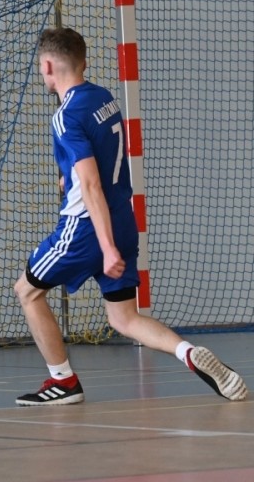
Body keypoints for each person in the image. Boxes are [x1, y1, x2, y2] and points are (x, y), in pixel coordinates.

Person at [14, 27, 247, 405]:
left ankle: (64, 382)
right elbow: (98, 162)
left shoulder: (65, 115)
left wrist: (105, 247)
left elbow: (91, 185)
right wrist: (70, 178)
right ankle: (188, 352)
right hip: (124, 219)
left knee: (26, 291)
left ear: (48, 66)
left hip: (86, 229)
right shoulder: (103, 98)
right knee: (123, 318)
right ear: (84, 62)